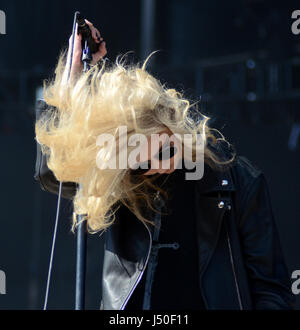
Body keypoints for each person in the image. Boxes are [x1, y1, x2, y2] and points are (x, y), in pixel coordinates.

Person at [34, 19, 295, 310]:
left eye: (163, 151)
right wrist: (71, 84)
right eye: (139, 164)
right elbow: (53, 172)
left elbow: (272, 291)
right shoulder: (120, 180)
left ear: (172, 125)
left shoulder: (237, 180)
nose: (156, 167)